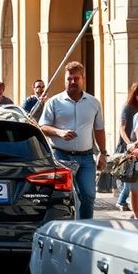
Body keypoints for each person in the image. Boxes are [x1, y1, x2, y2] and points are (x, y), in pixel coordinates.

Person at [39, 61, 107, 220]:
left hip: (86, 158)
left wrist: (103, 153)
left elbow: (99, 130)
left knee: (88, 195)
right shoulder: (54, 102)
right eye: (69, 79)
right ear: (65, 80)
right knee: (64, 197)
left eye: (76, 78)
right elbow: (42, 127)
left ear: (83, 79)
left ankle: (86, 226)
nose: (72, 82)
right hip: (61, 157)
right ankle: (66, 227)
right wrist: (59, 132)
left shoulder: (93, 103)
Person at [116, 82, 138, 211]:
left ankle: (125, 202)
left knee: (133, 177)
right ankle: (122, 201)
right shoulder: (128, 108)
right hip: (128, 147)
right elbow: (122, 128)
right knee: (131, 176)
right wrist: (129, 144)